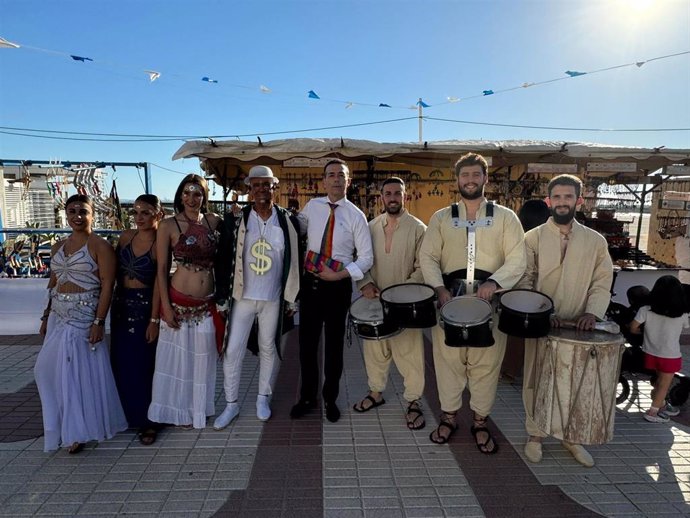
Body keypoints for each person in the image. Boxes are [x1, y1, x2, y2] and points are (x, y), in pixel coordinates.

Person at [419, 152, 526, 453]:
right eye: (464, 175)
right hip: (449, 302)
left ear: (485, 178)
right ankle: (449, 416)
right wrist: (439, 288)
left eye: (475, 175)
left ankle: (480, 421)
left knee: (486, 366)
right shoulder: (440, 217)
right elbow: (427, 256)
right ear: (457, 180)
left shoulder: (505, 217)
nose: (469, 180)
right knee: (448, 364)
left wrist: (495, 283)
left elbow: (518, 258)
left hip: (488, 306)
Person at [520, 174, 613, 467]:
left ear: (579, 200)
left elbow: (601, 280)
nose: (562, 202)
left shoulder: (595, 241)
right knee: (536, 380)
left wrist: (592, 312)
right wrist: (542, 312)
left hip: (578, 327)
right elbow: (524, 279)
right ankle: (535, 436)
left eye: (568, 197)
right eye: (557, 197)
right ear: (549, 201)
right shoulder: (531, 238)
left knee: (575, 381)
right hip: (542, 323)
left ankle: (570, 437)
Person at [35, 194, 127, 453]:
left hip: (84, 316)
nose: (77, 216)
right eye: (72, 211)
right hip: (58, 316)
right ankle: (64, 425)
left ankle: (77, 432)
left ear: (91, 215)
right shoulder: (57, 247)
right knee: (46, 370)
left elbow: (108, 285)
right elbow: (53, 283)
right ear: (66, 215)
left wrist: (99, 322)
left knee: (75, 374)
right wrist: (46, 315)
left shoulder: (100, 246)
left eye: (83, 211)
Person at [213, 166, 300, 429]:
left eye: (267, 184)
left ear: (275, 187)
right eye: (256, 185)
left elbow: (294, 260)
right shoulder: (237, 219)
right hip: (242, 297)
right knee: (232, 350)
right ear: (249, 189)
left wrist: (292, 298)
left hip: (273, 298)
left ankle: (263, 397)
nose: (261, 189)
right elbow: (223, 258)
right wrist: (221, 297)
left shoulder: (287, 221)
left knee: (268, 348)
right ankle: (231, 404)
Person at [290, 158, 374, 423]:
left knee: (334, 348)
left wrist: (338, 274)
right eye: (331, 174)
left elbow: (366, 258)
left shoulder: (356, 216)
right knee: (307, 346)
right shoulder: (311, 207)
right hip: (311, 285)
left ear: (349, 181)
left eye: (342, 175)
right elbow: (295, 233)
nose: (336, 178)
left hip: (337, 288)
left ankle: (330, 398)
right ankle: (307, 397)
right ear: (323, 180)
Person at [148, 174, 223, 429]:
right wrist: (164, 308)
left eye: (198, 193)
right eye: (187, 193)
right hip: (178, 303)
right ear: (180, 195)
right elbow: (161, 270)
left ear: (204, 197)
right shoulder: (168, 226)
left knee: (204, 359)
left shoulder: (215, 222)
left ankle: (199, 409)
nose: (192, 198)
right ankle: (177, 412)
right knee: (177, 361)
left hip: (207, 304)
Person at [353, 177, 428, 429]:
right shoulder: (370, 226)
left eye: (398, 192)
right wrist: (364, 284)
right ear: (381, 197)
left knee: (409, 353)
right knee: (375, 350)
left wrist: (402, 292)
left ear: (405, 196)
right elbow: (360, 260)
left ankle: (413, 400)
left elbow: (423, 267)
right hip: (374, 301)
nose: (393, 197)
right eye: (388, 193)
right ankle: (376, 393)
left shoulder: (419, 229)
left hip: (405, 303)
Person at [110, 195, 163, 445]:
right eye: (136, 212)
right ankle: (124, 416)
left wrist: (154, 319)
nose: (140, 217)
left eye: (146, 212)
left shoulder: (160, 243)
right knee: (120, 362)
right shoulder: (124, 237)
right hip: (120, 305)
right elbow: (108, 273)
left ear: (158, 215)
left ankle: (148, 421)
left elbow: (158, 285)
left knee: (145, 365)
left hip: (144, 308)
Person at [501, 199, 552, 381]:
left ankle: (510, 370)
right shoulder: (548, 237)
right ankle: (536, 372)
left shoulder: (520, 237)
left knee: (516, 334)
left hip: (519, 290)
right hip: (545, 292)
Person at [630, 275, 689, 422]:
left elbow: (632, 328)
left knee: (658, 380)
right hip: (670, 355)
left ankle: (661, 403)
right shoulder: (682, 314)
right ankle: (653, 412)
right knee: (664, 384)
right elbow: (685, 329)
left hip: (650, 352)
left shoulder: (645, 310)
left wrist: (643, 332)